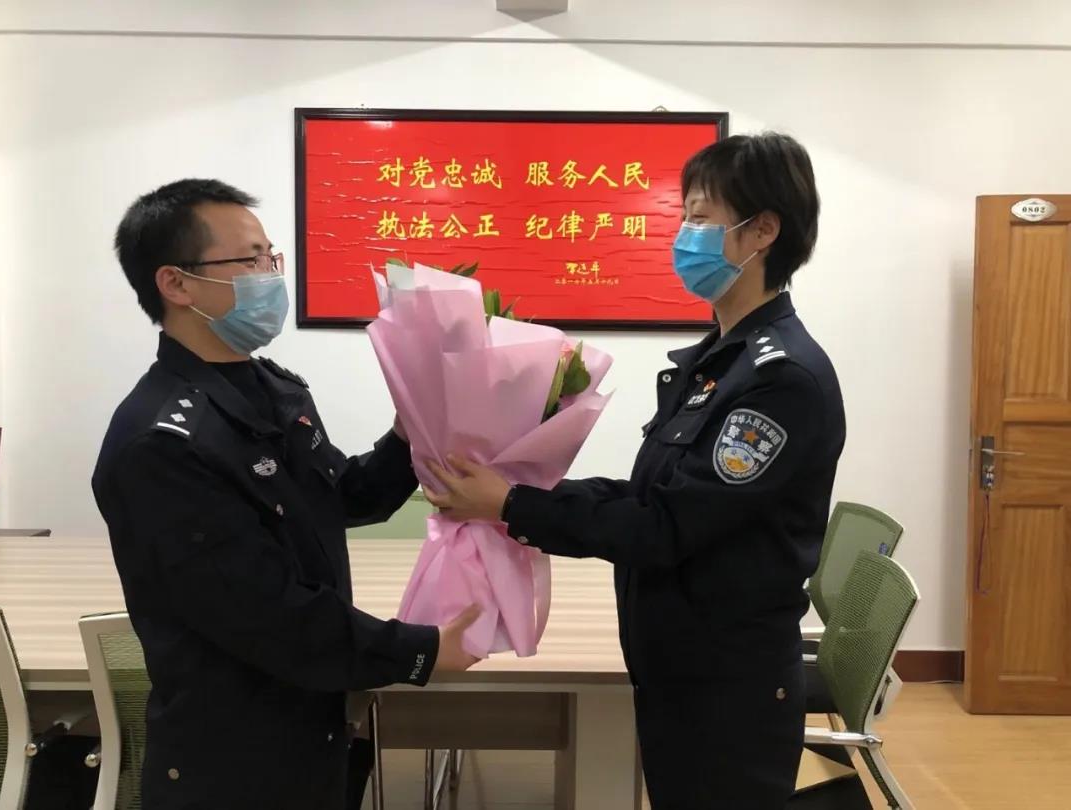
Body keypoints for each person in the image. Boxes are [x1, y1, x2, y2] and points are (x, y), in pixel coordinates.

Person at [421, 133, 846, 809]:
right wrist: (517, 492)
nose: (684, 237)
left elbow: (665, 528)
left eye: (701, 219)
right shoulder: (717, 363)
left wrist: (512, 506)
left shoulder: (778, 380)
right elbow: (648, 496)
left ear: (763, 230)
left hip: (727, 684)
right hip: (683, 667)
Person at [92, 179, 479, 810]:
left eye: (271, 256)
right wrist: (418, 652)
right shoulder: (161, 444)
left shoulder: (272, 388)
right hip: (230, 759)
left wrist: (409, 434)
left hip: (311, 724)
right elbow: (268, 615)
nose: (271, 275)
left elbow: (341, 495)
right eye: (249, 260)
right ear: (177, 284)